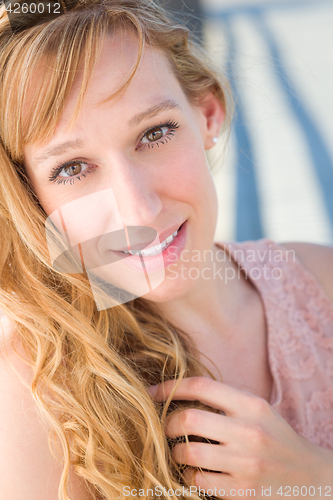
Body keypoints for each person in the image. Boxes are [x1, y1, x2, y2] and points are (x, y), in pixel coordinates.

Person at [0, 1, 332, 499]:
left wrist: (316, 479)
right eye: (71, 168)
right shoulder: (37, 391)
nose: (139, 210)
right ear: (32, 198)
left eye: (155, 133)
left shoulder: (320, 278)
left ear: (207, 115)